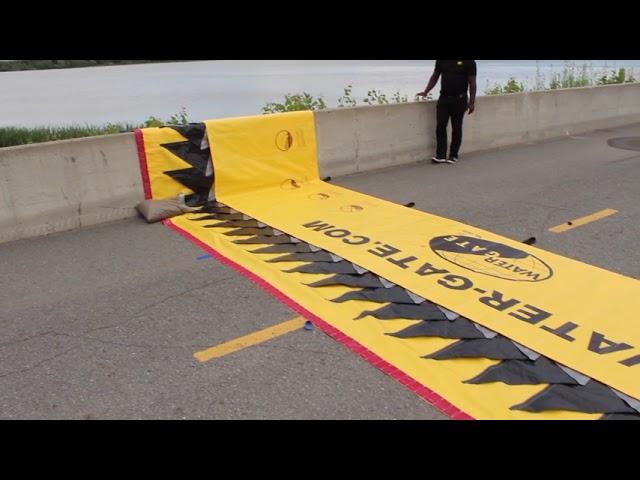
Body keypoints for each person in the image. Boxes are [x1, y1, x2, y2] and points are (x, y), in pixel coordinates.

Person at [417, 60, 477, 164]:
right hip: (444, 98)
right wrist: (426, 91)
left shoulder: (469, 62)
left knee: (456, 127)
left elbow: (472, 82)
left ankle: (453, 155)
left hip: (460, 99)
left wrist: (471, 102)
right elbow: (435, 76)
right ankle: (440, 155)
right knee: (440, 125)